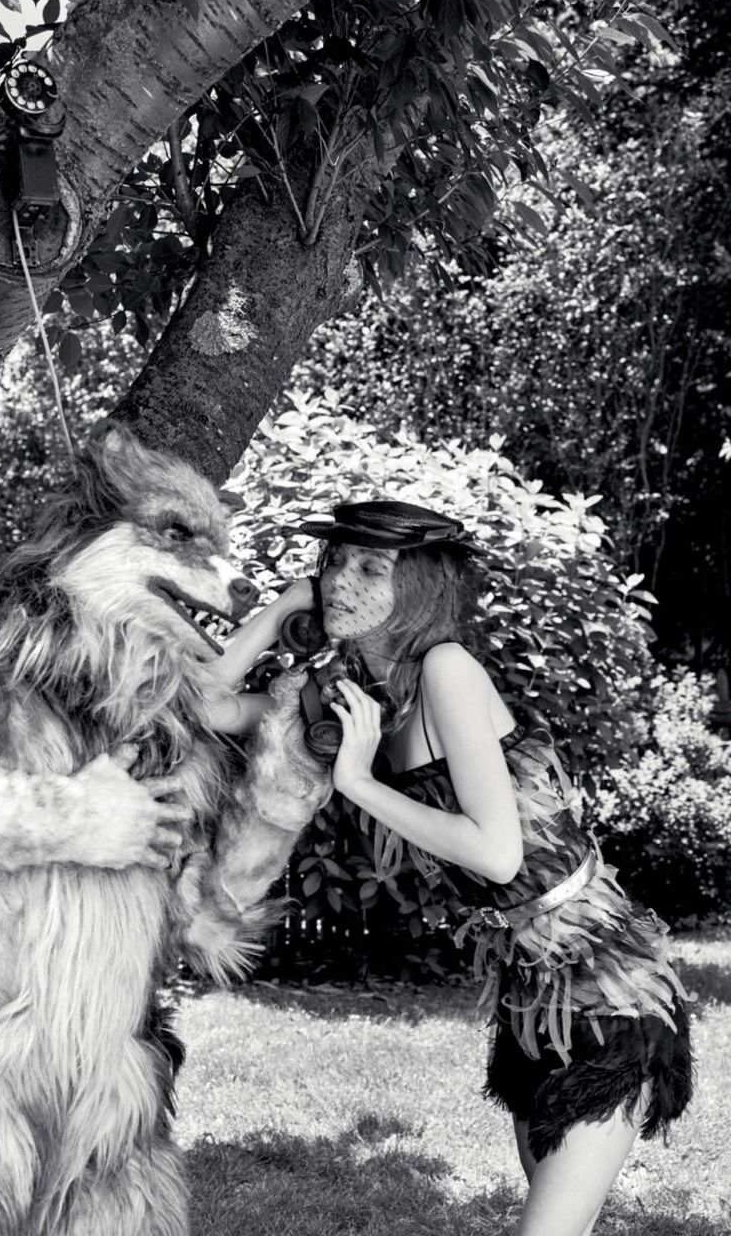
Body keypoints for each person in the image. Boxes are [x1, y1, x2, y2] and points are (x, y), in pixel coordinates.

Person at [210, 498, 693, 1236]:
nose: (340, 581)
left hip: (606, 988)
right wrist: (278, 611)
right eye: (334, 562)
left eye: (371, 568)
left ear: (420, 586)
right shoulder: (353, 695)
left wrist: (359, 780)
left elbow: (496, 852)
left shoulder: (448, 669)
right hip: (530, 994)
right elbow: (202, 705)